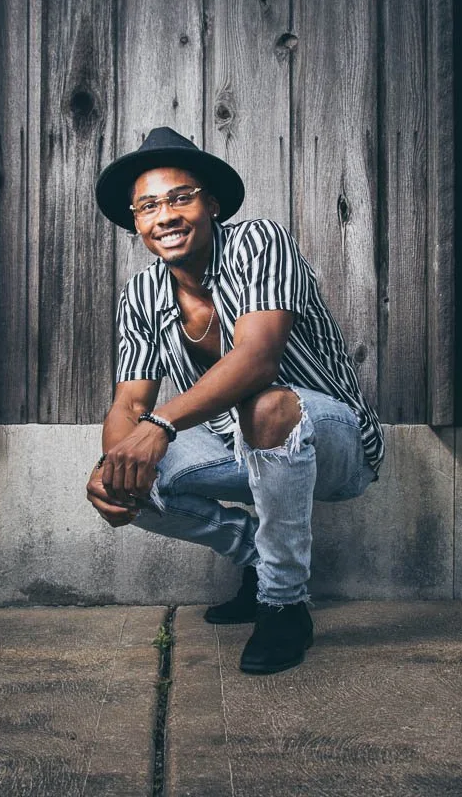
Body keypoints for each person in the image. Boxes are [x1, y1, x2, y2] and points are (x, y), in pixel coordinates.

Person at [86, 127, 384, 675]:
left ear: (212, 205)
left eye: (181, 198)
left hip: (328, 442)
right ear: (137, 223)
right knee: (122, 476)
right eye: (148, 206)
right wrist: (114, 469)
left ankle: (284, 605)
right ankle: (260, 561)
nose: (165, 216)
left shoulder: (258, 242)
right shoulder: (142, 294)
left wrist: (159, 426)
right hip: (233, 446)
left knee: (266, 405)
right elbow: (128, 403)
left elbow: (257, 360)